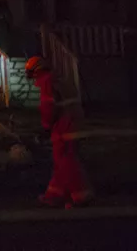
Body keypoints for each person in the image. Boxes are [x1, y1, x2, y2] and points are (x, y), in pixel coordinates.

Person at [26, 56, 93, 207]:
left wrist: (45, 126)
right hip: (74, 124)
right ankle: (54, 195)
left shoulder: (47, 82)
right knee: (62, 162)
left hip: (64, 128)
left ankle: (80, 195)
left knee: (66, 162)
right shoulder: (59, 79)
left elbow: (48, 107)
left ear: (36, 71)